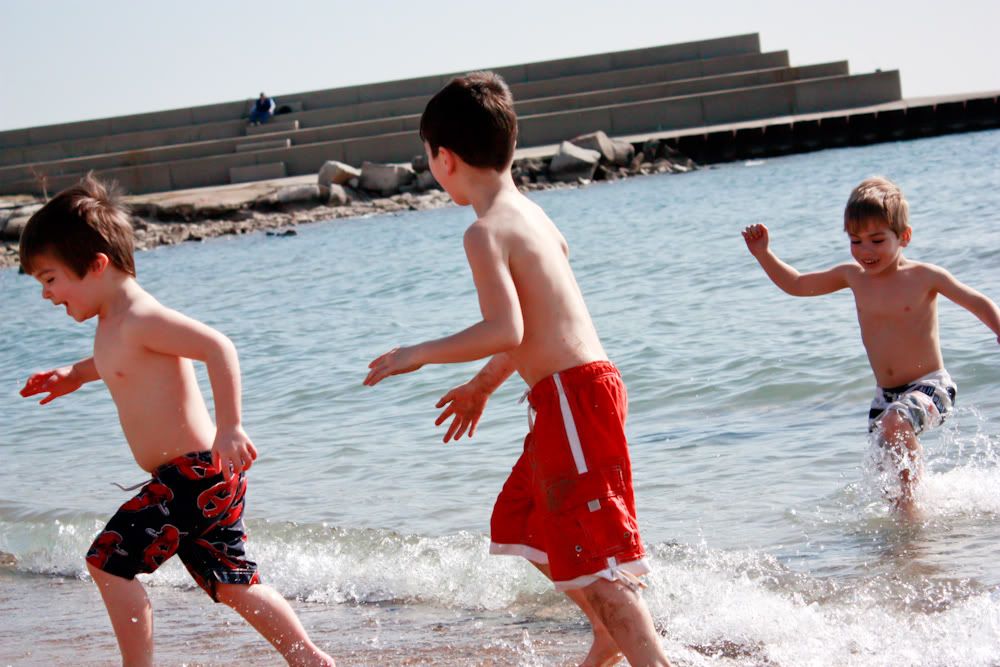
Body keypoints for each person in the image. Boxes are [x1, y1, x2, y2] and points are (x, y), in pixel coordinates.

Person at [363, 72, 671, 667]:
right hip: (569, 396)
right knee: (520, 519)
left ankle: (646, 653)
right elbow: (531, 329)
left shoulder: (484, 233)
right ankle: (606, 630)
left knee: (597, 559)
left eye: (428, 157)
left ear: (443, 159)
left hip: (574, 398)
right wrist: (481, 385)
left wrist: (418, 352)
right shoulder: (533, 215)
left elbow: (505, 330)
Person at [18, 175, 334, 667]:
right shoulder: (112, 323)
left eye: (50, 279)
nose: (46, 295)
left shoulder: (142, 318)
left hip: (192, 477)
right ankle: (310, 659)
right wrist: (73, 375)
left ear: (96, 265)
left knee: (108, 563)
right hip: (197, 480)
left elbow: (218, 347)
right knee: (233, 584)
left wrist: (230, 425)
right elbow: (114, 363)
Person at [743, 176, 1000, 517]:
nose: (866, 251)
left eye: (877, 240)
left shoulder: (925, 276)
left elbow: (976, 301)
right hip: (885, 396)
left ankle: (914, 510)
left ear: (903, 236)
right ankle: (907, 527)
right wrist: (764, 254)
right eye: (856, 241)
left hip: (932, 386)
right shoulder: (853, 277)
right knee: (885, 478)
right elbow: (797, 284)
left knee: (897, 427)